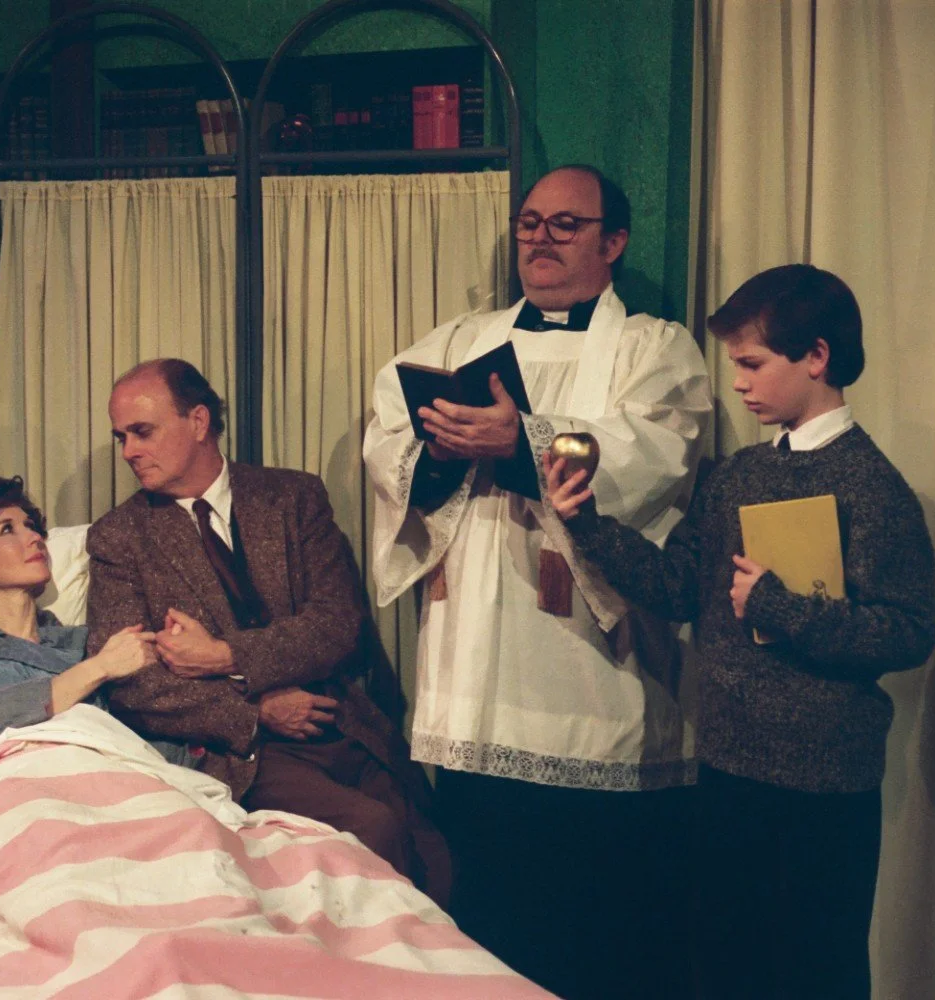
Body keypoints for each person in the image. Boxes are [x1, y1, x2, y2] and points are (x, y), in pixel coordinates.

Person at [362, 165, 713, 999]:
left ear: (613, 242)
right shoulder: (455, 344)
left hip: (591, 674)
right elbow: (387, 444)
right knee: (487, 912)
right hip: (476, 671)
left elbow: (652, 454)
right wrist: (439, 448)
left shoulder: (655, 348)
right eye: (528, 223)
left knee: (599, 924)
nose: (539, 239)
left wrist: (522, 440)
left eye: (564, 224)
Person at [546, 263, 935, 1000]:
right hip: (727, 764)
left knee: (815, 973)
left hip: (822, 781)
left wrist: (780, 609)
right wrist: (587, 524)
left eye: (754, 364)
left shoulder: (872, 486)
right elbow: (676, 587)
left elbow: (907, 632)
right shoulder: (737, 475)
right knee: (725, 967)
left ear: (816, 356)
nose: (740, 384)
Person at [85, 359, 450, 904]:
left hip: (342, 720)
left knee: (434, 850)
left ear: (198, 421)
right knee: (372, 831)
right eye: (122, 438)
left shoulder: (292, 497)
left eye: (142, 432)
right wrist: (255, 711)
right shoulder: (119, 538)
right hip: (243, 752)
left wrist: (223, 654)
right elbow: (132, 684)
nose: (128, 452)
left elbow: (338, 624)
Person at [0, 477, 160, 754]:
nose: (35, 538)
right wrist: (98, 669)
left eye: (30, 526)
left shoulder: (84, 642)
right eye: (7, 529)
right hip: (8, 773)